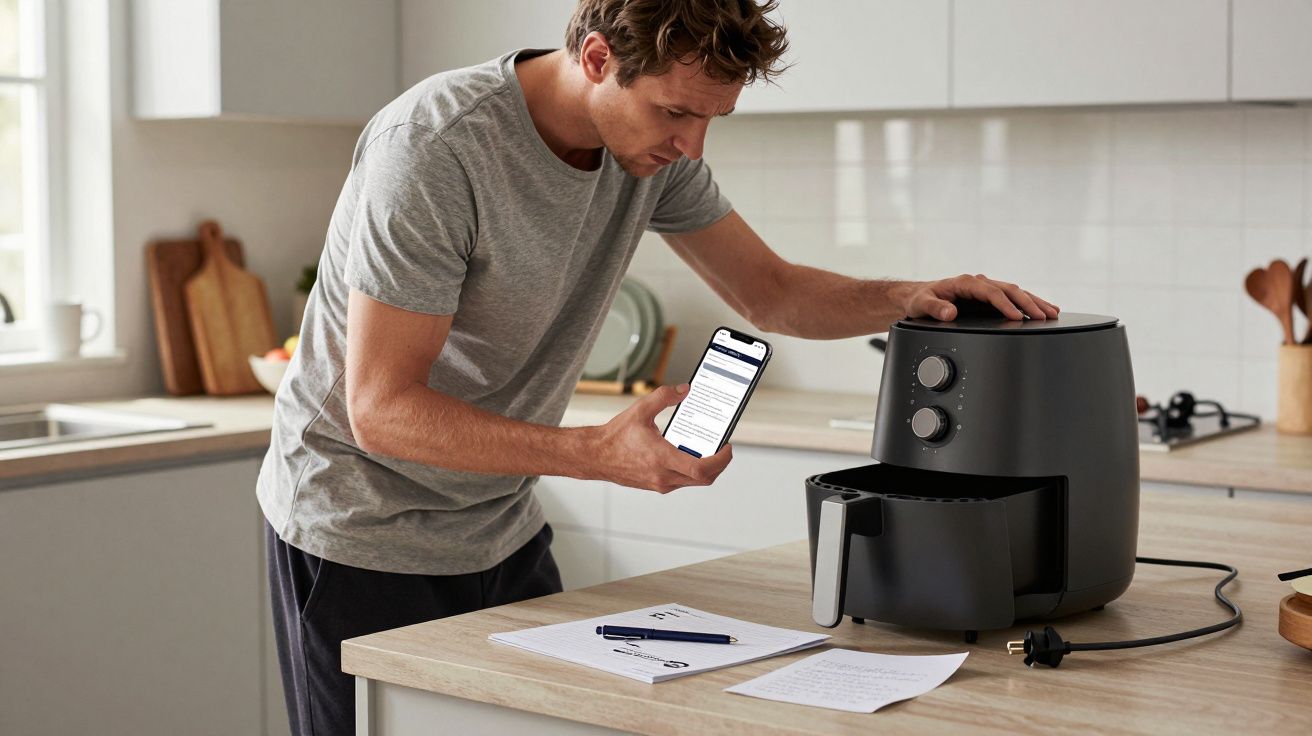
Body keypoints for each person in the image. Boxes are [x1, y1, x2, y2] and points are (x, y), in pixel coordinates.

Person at [257, 1, 1060, 734]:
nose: (691, 145)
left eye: (713, 118)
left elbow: (772, 293)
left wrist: (910, 296)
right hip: (358, 530)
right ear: (599, 58)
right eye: (675, 111)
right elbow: (382, 409)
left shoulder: (651, 153)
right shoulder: (436, 146)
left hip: (498, 525)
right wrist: (592, 453)